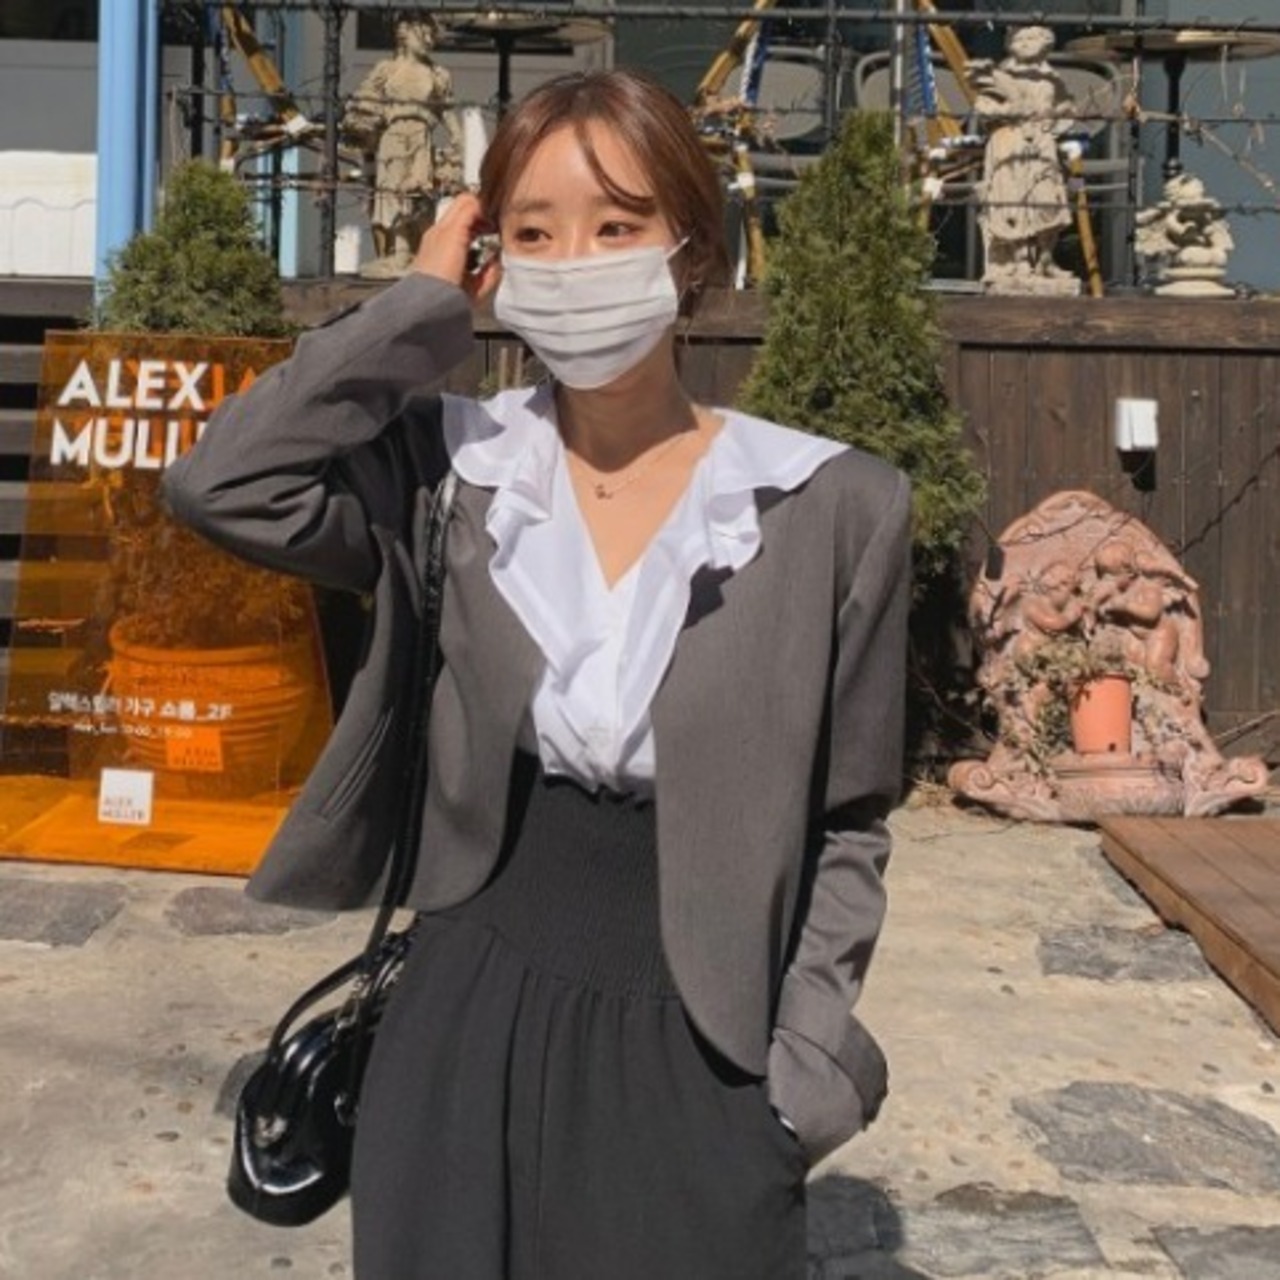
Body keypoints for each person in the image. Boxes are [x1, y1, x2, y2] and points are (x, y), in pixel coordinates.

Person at [163, 68, 910, 1279]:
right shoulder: (453, 470)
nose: (575, 263)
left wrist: (802, 1079)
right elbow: (221, 483)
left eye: (616, 226)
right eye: (533, 231)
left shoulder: (829, 504)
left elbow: (851, 813)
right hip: (465, 996)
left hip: (702, 1034)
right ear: (490, 256)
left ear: (689, 245)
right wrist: (417, 308)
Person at [341, 14, 463, 278]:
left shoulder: (438, 74)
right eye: (424, 34)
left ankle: (422, 254)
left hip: (421, 138)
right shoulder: (387, 69)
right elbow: (365, 100)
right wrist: (360, 120)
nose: (429, 41)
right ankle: (400, 255)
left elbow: (446, 109)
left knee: (419, 195)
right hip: (393, 138)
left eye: (432, 36)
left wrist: (458, 138)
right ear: (405, 34)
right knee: (393, 194)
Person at [969, 25, 1079, 290]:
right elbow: (983, 107)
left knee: (1048, 201)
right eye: (1019, 39)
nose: (1025, 43)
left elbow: (1066, 108)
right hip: (1010, 144)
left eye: (1032, 38)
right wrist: (1009, 110)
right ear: (1009, 44)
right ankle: (1019, 259)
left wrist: (1056, 120)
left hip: (1042, 144)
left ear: (1046, 43)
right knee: (1013, 202)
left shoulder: (1051, 77)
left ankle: (1045, 258)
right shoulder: (1001, 75)